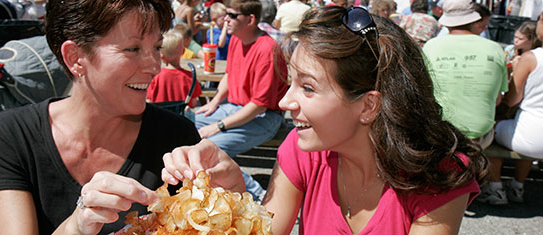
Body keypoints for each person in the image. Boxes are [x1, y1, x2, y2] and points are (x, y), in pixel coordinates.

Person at [162, 6, 487, 234]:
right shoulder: (301, 148)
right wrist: (233, 192)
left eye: (307, 87)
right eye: (290, 83)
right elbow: (266, 231)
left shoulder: (439, 174)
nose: (285, 101)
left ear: (368, 106)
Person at [0, 0, 201, 234]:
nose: (154, 66)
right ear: (75, 57)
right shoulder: (13, 134)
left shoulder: (178, 136)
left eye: (157, 47)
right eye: (133, 49)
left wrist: (234, 194)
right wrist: (76, 227)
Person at [194, 0, 288, 200]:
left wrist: (218, 126)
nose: (226, 19)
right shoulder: (236, 39)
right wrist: (214, 102)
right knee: (185, 123)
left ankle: (258, 195)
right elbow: (229, 74)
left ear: (250, 20)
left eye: (232, 15)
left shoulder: (267, 49)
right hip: (235, 109)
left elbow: (259, 105)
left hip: (264, 117)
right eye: (227, 13)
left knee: (213, 148)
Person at [423, 0, 507, 150]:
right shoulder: (495, 49)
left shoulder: (431, 46)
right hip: (478, 133)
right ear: (474, 20)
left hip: (439, 130)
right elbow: (497, 99)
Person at [480, 11, 543, 206]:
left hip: (532, 136)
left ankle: (496, 189)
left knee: (488, 132)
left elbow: (513, 99)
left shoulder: (532, 58)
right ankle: (517, 185)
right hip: (533, 137)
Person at [146, 30, 202, 108]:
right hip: (180, 117)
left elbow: (149, 100)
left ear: (161, 55)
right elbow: (193, 104)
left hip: (159, 116)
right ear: (183, 52)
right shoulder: (190, 77)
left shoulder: (155, 77)